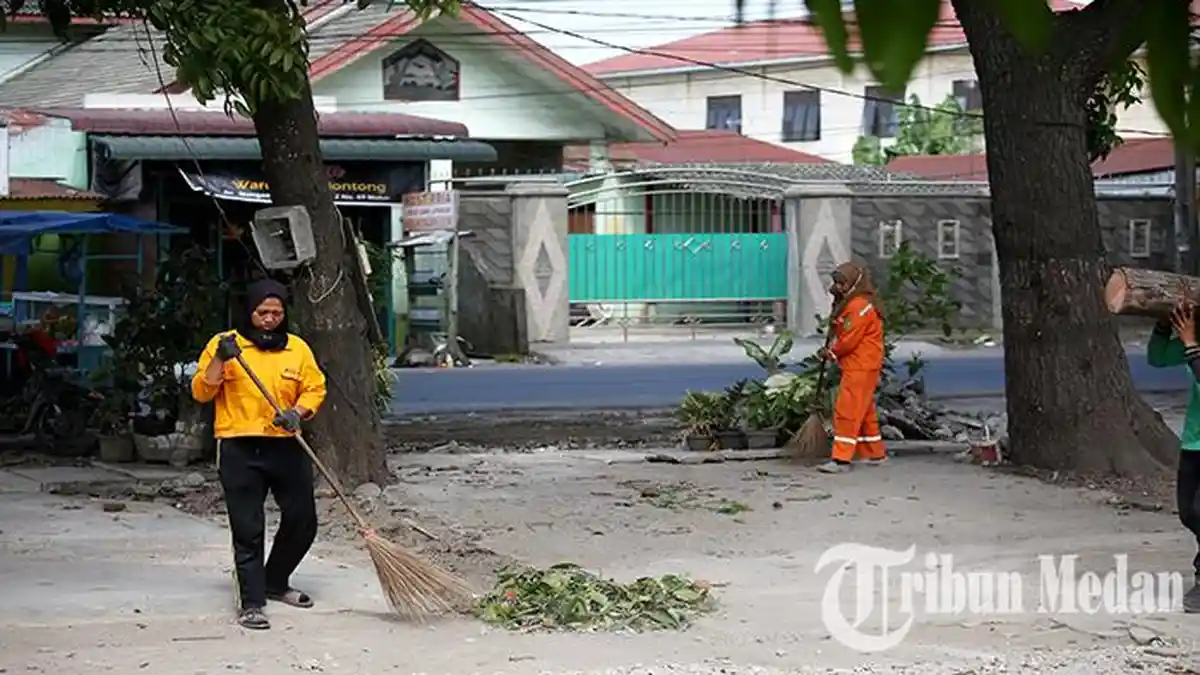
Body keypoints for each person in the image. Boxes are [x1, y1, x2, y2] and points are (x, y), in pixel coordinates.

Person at [190, 279, 328, 630]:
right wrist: (221, 360)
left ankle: (275, 581)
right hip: (240, 447)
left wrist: (298, 412)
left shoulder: (296, 348)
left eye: (277, 313)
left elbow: (315, 387)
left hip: (286, 444)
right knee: (248, 528)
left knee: (303, 519)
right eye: (262, 312)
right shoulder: (225, 344)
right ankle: (252, 602)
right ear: (249, 311)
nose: (269, 319)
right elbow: (202, 393)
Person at [1146, 300, 1200, 613]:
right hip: (1194, 442)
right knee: (1188, 514)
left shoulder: (1196, 343)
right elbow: (1157, 358)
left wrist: (1191, 343)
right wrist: (1164, 325)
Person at [816, 261, 886, 475]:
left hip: (859, 365)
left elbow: (849, 339)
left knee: (846, 411)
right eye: (837, 283)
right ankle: (873, 453)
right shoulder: (860, 302)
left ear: (854, 282)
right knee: (864, 410)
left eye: (842, 283)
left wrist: (832, 352)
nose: (839, 287)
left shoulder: (857, 307)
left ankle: (841, 459)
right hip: (865, 364)